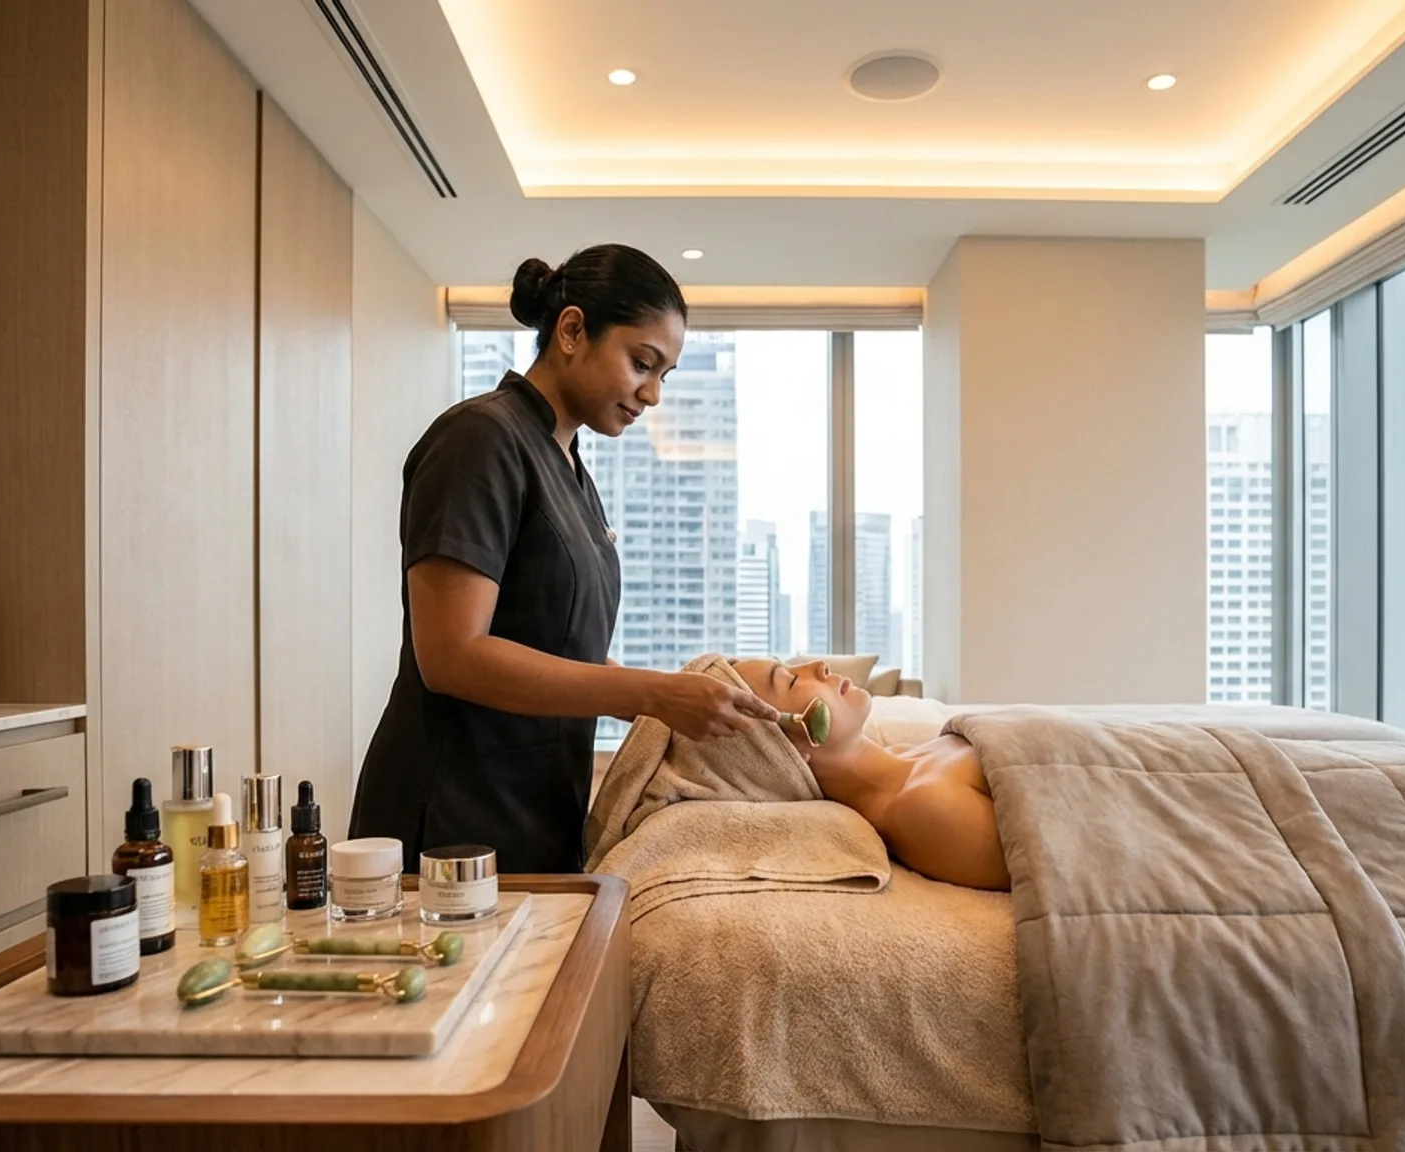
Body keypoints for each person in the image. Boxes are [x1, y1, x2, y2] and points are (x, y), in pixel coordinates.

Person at [349, 244, 778, 873]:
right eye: (642, 363)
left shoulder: (570, 468)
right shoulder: (482, 440)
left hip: (535, 807)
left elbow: (554, 642)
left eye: (665, 374)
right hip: (451, 813)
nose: (653, 394)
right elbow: (450, 656)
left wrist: (667, 704)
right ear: (573, 330)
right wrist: (652, 693)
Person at [733, 657, 1009, 890]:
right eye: (790, 681)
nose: (820, 666)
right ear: (784, 753)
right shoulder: (924, 807)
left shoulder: (908, 755)